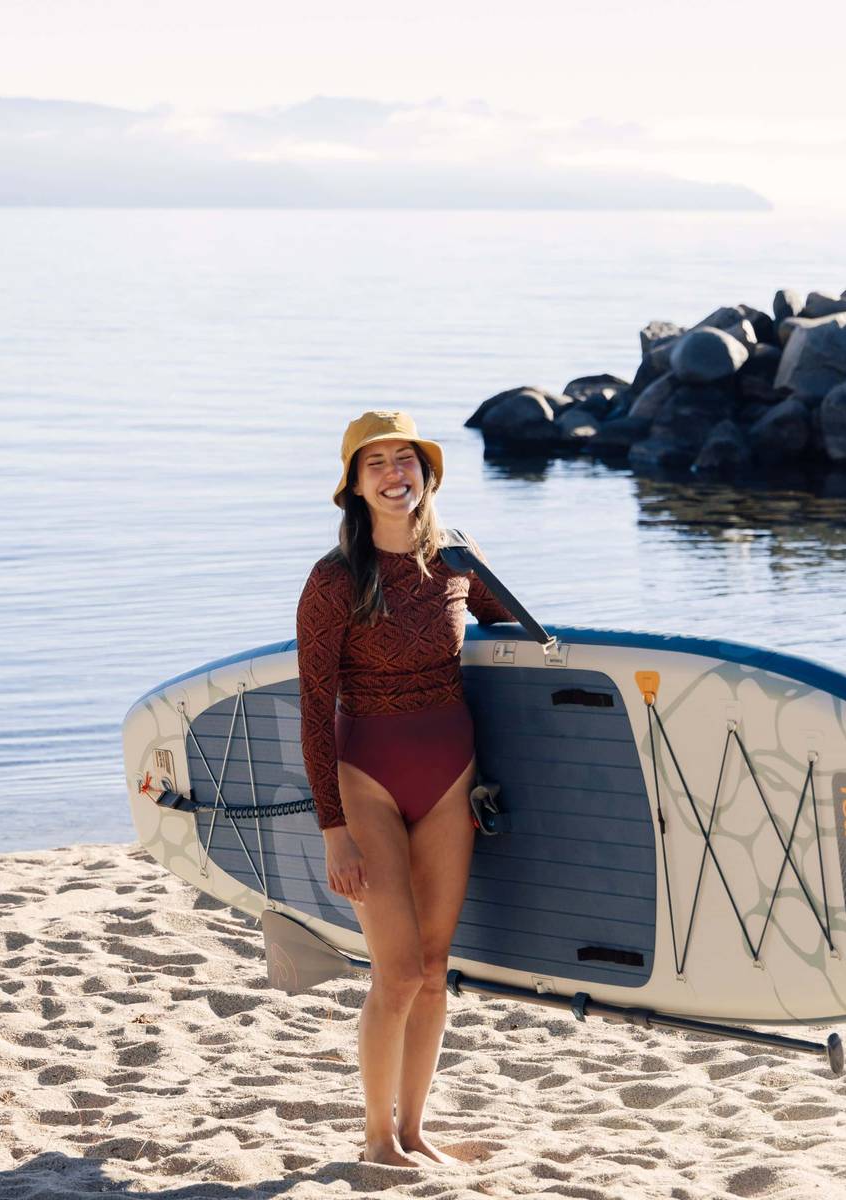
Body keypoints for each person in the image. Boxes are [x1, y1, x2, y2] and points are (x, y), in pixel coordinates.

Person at [296, 410, 512, 1167]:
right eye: (376, 464)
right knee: (392, 973)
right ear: (355, 486)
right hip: (370, 784)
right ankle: (377, 1138)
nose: (395, 475)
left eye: (405, 460)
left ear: (426, 473)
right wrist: (334, 828)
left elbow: (514, 632)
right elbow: (314, 710)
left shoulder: (458, 562)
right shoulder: (333, 582)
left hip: (450, 781)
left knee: (431, 968)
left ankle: (416, 1131)